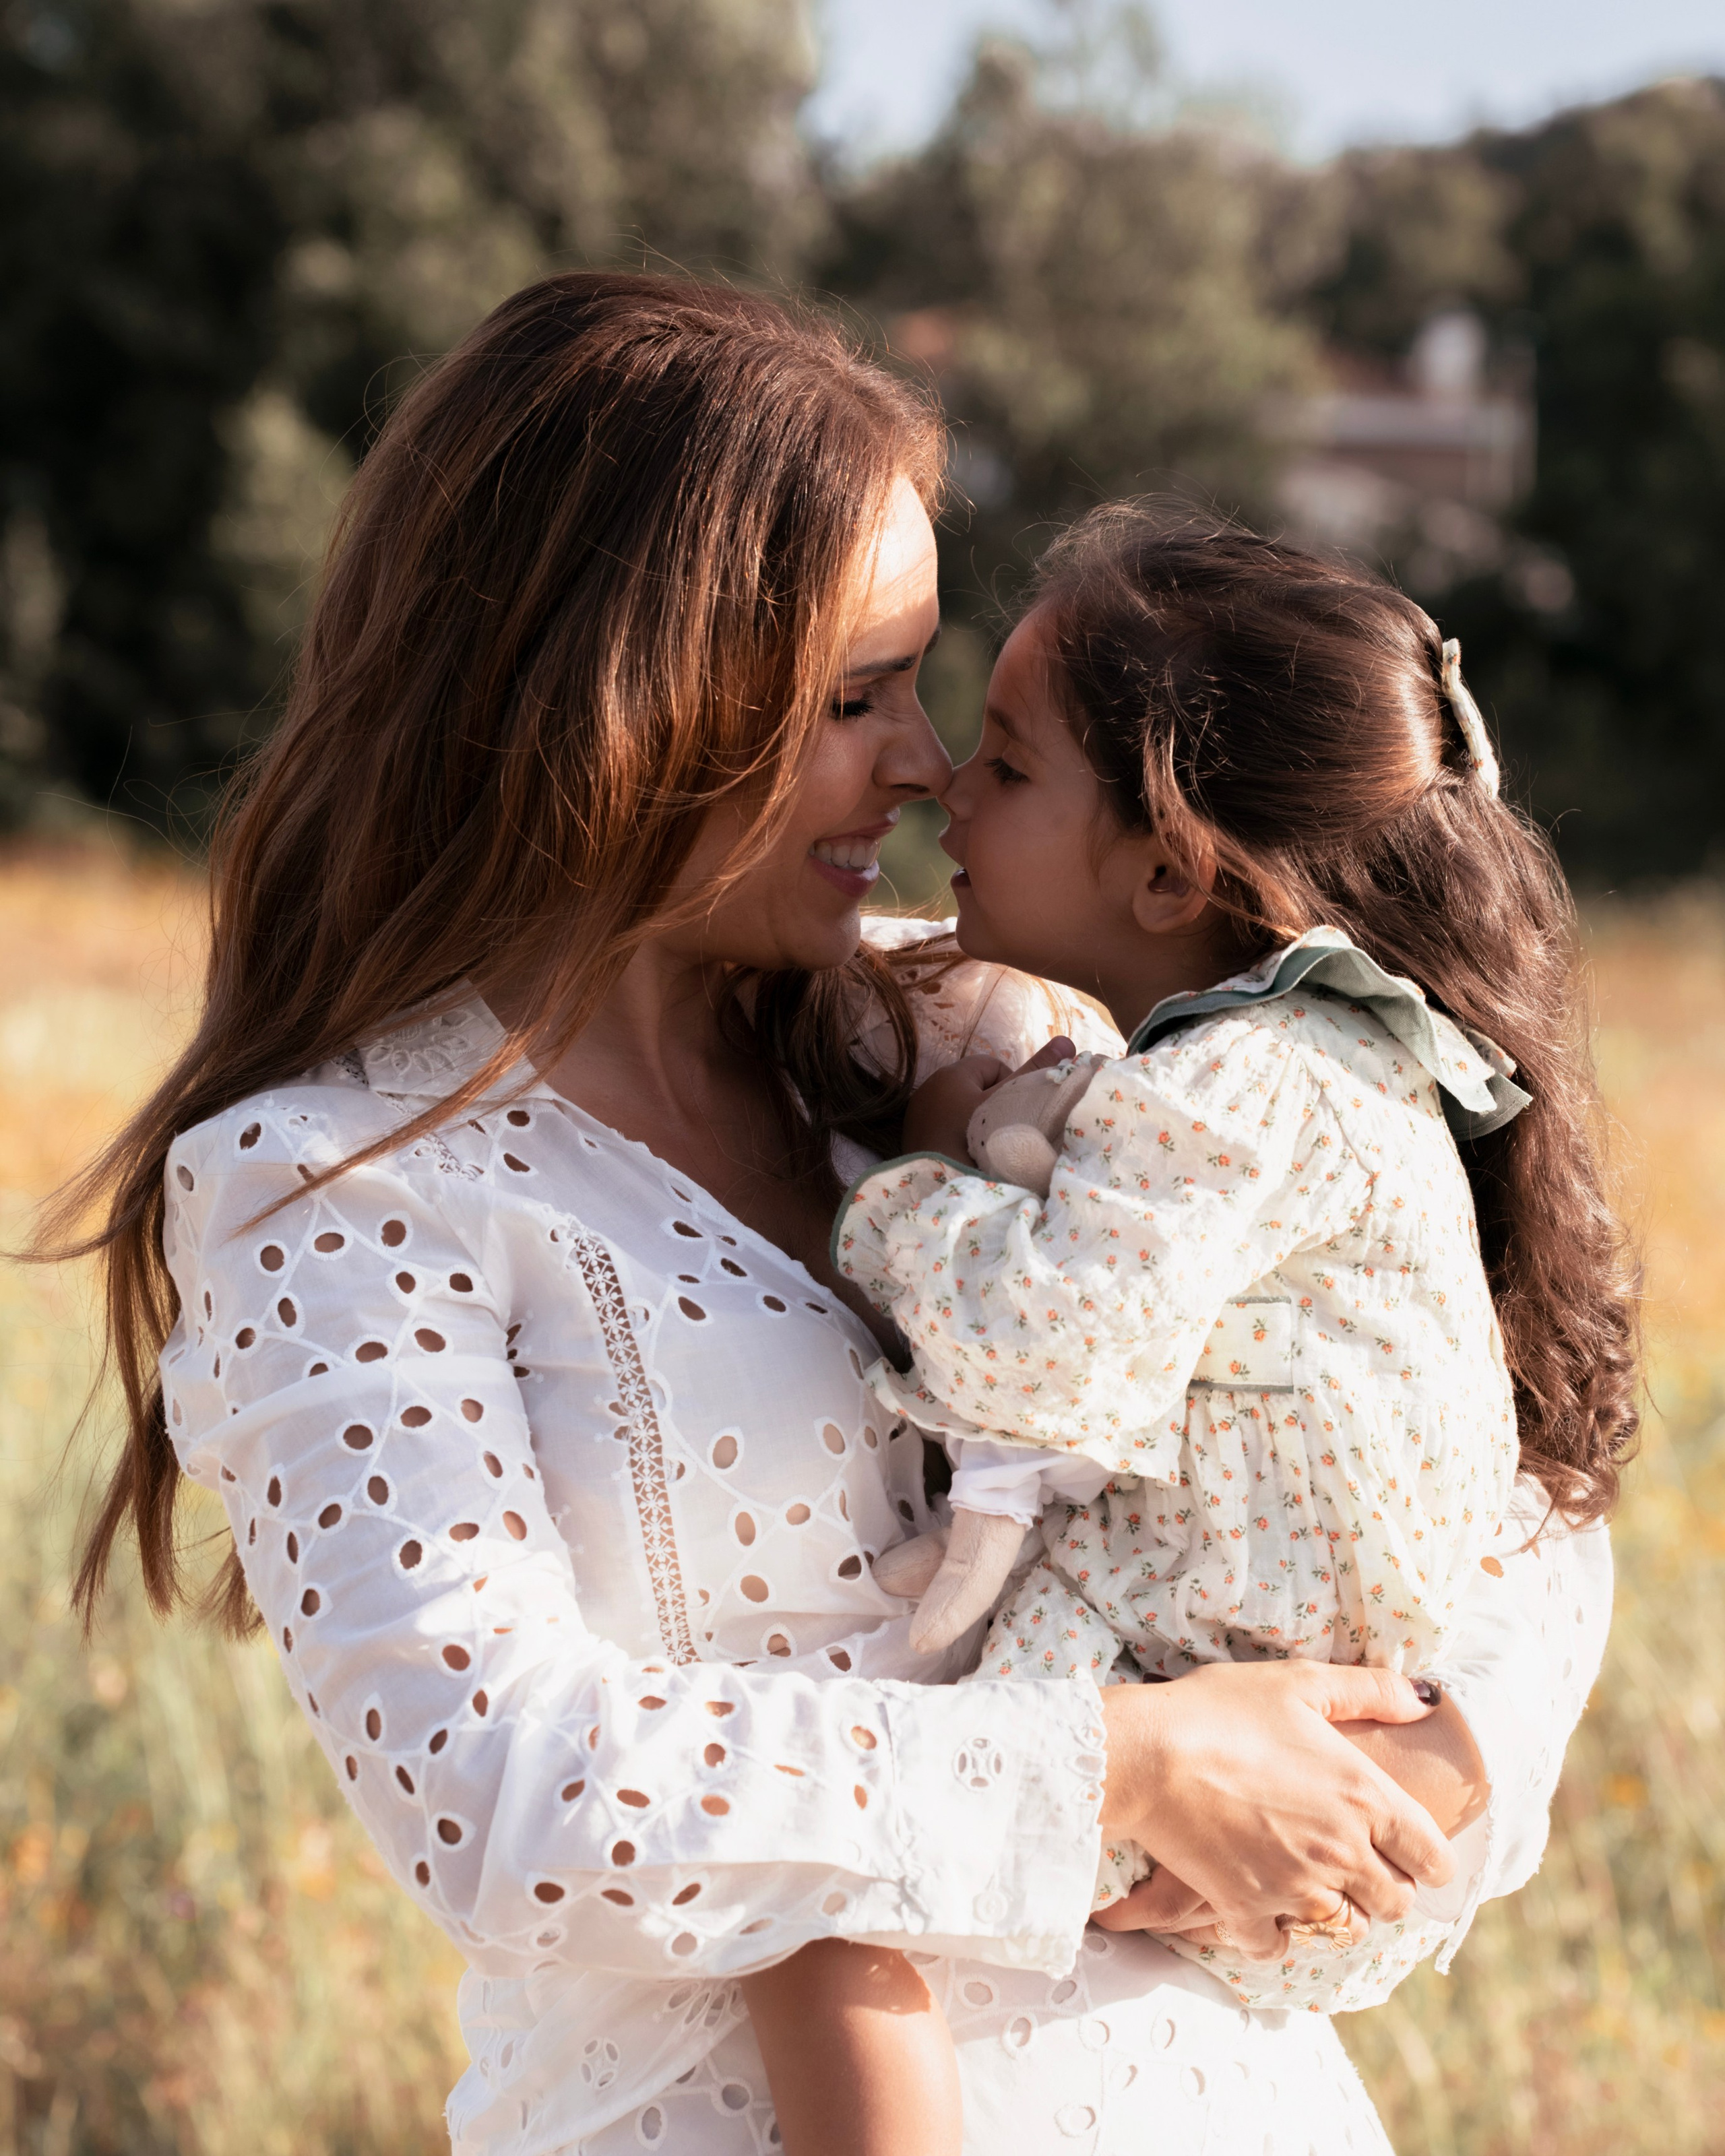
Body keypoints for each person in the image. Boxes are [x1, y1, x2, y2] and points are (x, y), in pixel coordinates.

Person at [50, 274, 1619, 2155]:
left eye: (924, 687)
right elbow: (500, 1793)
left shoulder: (984, 1033)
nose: (928, 763)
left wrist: (1421, 1758)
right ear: (615, 700)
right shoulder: (334, 1185)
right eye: (853, 696)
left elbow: (1469, 1454)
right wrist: (1124, 1767)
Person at [758, 507, 1637, 2147]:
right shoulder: (1324, 1062)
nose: (947, 784)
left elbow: (1044, 1351)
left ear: (1167, 870)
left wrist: (914, 1183)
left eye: (1008, 764)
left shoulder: (1233, 1085)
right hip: (1278, 1770)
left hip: (1233, 1723)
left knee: (821, 1878)